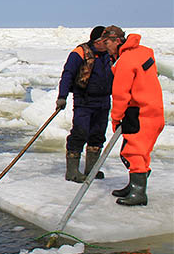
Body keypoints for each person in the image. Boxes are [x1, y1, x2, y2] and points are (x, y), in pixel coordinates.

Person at [100, 25, 164, 206]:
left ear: (117, 41)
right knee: (142, 152)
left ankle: (138, 192)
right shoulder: (142, 52)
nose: (105, 47)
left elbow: (121, 94)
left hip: (140, 112)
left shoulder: (125, 61)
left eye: (107, 43)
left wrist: (116, 118)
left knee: (132, 152)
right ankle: (133, 186)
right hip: (154, 111)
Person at [56, 26, 114, 183]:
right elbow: (68, 74)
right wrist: (62, 96)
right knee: (80, 133)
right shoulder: (80, 53)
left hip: (103, 101)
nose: (107, 44)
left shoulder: (110, 55)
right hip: (84, 100)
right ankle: (72, 171)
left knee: (98, 134)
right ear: (97, 41)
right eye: (104, 41)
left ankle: (91, 169)